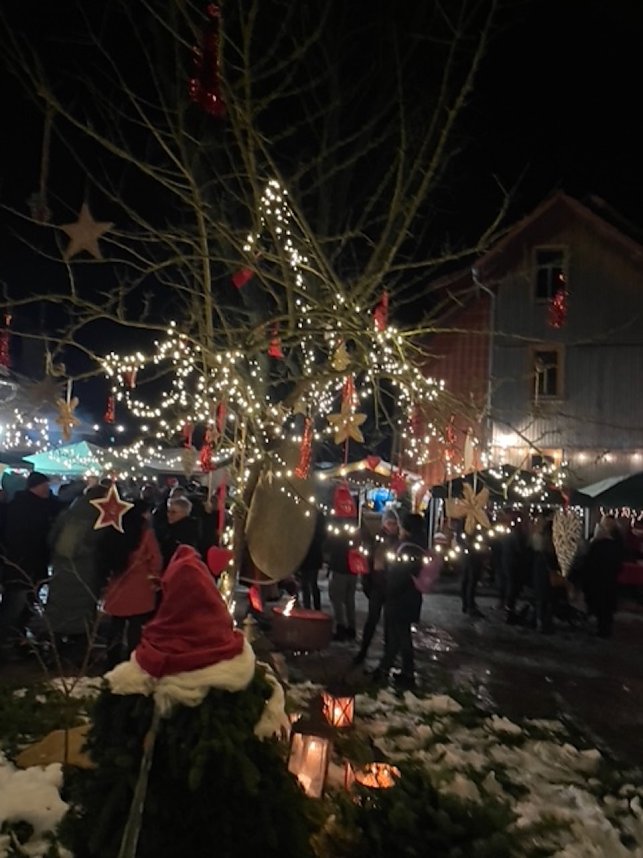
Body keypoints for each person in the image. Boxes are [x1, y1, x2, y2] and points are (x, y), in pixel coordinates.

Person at [41, 484, 109, 663]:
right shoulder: (101, 517)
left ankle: (55, 650)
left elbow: (51, 538)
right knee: (83, 610)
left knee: (58, 607)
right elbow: (102, 544)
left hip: (61, 568)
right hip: (86, 570)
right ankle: (79, 653)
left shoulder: (68, 513)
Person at [0, 471, 58, 657]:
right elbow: (19, 537)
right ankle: (6, 638)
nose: (48, 489)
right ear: (37, 486)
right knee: (15, 603)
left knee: (26, 603)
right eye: (45, 486)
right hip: (21, 564)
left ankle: (18, 636)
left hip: (31, 564)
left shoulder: (39, 505)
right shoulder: (22, 508)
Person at [101, 501, 163, 669]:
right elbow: (155, 559)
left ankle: (112, 657)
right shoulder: (146, 534)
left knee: (116, 624)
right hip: (140, 585)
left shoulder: (115, 532)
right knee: (136, 625)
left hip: (118, 583)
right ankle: (132, 658)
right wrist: (154, 577)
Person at [372, 512, 425, 689]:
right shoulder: (418, 546)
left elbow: (399, 576)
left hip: (400, 599)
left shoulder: (406, 548)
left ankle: (407, 673)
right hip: (410, 598)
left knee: (401, 637)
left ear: (406, 528)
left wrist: (387, 589)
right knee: (398, 636)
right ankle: (385, 668)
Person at [353, 507, 400, 664]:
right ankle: (363, 651)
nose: (392, 526)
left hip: (391, 588)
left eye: (394, 523)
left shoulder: (399, 542)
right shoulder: (376, 540)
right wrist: (367, 581)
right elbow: (368, 562)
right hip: (377, 586)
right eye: (389, 523)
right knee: (372, 620)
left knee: (390, 623)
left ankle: (388, 657)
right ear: (384, 524)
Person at [581, 514, 625, 638]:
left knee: (605, 605)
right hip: (601, 577)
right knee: (602, 604)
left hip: (606, 577)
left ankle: (604, 628)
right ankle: (603, 627)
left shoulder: (614, 541)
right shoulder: (600, 541)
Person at [325, 523, 358, 641]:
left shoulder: (337, 526)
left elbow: (328, 546)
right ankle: (351, 627)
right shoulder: (357, 525)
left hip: (339, 568)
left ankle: (341, 627)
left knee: (337, 599)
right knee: (350, 600)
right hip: (353, 569)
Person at [158, 495, 202, 568]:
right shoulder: (167, 529)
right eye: (168, 511)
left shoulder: (188, 533)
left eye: (173, 512)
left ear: (184, 513)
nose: (169, 515)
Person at [531, 515, 558, 633]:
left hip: (541, 573)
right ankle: (544, 622)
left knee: (542, 599)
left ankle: (541, 621)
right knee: (546, 599)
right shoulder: (549, 546)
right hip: (546, 574)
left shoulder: (540, 544)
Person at [297, 509, 326, 611]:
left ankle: (308, 607)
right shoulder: (318, 520)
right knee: (310, 584)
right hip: (311, 557)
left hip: (308, 557)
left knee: (308, 584)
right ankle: (312, 607)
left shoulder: (308, 521)